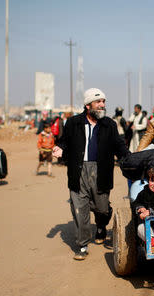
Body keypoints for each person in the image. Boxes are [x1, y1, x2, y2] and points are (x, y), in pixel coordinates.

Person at [54, 88, 130, 260]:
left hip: (101, 171)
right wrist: (60, 148)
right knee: (80, 209)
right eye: (98, 102)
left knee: (102, 209)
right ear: (88, 105)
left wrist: (129, 158)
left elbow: (119, 146)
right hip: (78, 170)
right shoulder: (73, 123)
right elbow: (64, 141)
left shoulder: (109, 125)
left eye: (104, 102)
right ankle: (82, 245)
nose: (102, 105)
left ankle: (101, 226)